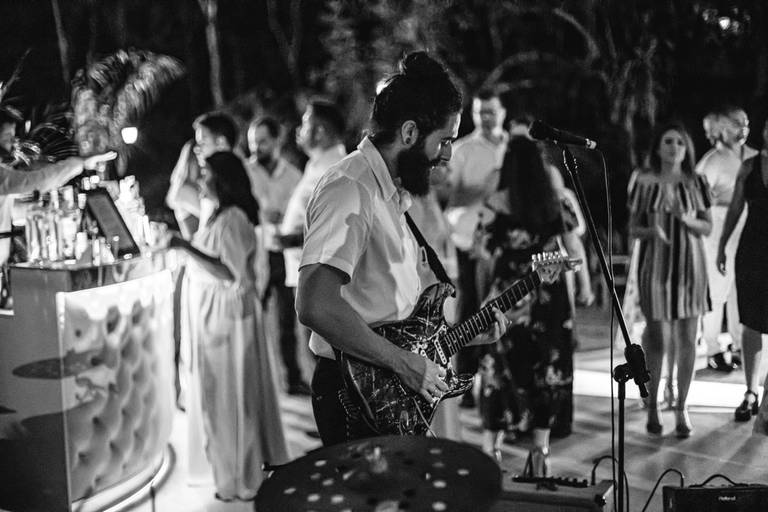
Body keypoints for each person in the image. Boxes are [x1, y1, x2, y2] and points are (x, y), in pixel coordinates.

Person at [296, 51, 509, 446]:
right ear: (409, 134)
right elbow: (315, 304)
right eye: (444, 141)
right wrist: (402, 362)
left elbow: (389, 311)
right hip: (354, 394)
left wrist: (458, 339)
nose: (447, 156)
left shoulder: (389, 193)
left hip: (388, 388)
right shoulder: (350, 188)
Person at [172, 152, 288, 500]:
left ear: (221, 179)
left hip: (229, 316)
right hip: (217, 311)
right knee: (219, 394)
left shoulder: (234, 217)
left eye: (205, 173)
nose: (199, 180)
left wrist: (183, 247)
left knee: (231, 395)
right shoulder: (218, 215)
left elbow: (230, 273)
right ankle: (229, 467)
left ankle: (241, 474)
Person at [475, 137, 577, 474]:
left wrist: (481, 300)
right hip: (549, 299)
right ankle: (540, 451)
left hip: (508, 297)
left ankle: (492, 450)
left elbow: (483, 259)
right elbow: (569, 252)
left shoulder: (494, 203)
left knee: (499, 370)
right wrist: (573, 303)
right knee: (546, 369)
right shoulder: (556, 203)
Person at [628, 122, 711, 439]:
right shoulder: (644, 180)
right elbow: (633, 227)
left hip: (690, 265)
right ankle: (652, 405)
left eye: (680, 141)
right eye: (668, 141)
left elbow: (707, 227)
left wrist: (684, 217)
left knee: (688, 337)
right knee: (658, 338)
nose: (674, 146)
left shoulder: (696, 181)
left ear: (687, 148)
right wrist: (653, 231)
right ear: (658, 147)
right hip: (656, 265)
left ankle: (681, 406)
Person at [443, 88, 508, 408]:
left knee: (501, 308)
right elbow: (447, 197)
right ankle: (464, 382)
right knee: (469, 309)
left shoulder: (514, 147)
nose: (485, 118)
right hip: (466, 239)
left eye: (491, 112)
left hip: (504, 244)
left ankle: (497, 381)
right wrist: (485, 189)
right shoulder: (461, 150)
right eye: (480, 111)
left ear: (503, 113)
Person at [245, 115, 310, 395]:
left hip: (284, 255)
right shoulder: (246, 172)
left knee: (286, 320)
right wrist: (261, 215)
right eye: (253, 142)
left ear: (276, 141)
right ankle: (255, 381)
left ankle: (292, 379)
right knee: (250, 317)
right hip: (256, 252)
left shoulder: (295, 175)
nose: (256, 147)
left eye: (262, 141)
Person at [717, 118, 768, 425]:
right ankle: (751, 390)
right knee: (751, 322)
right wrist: (723, 244)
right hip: (752, 250)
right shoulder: (749, 166)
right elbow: (735, 207)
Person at [697, 107, 754, 373]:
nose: (742, 128)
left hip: (749, 227)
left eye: (745, 123)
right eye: (735, 123)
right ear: (722, 127)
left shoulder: (753, 157)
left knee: (739, 290)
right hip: (719, 227)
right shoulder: (712, 161)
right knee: (717, 291)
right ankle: (714, 348)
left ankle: (740, 344)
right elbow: (698, 196)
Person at [166, 112, 239, 235]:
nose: (197, 149)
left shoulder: (231, 186)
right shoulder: (209, 187)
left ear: (221, 143)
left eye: (202, 143)